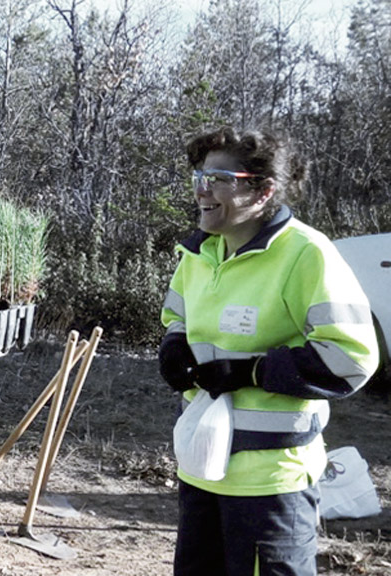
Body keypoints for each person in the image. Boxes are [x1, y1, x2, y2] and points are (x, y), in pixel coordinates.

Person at [158, 126, 379, 576]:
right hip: (201, 466)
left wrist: (253, 372)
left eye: (219, 179)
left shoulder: (305, 254)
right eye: (199, 176)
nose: (202, 189)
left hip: (271, 482)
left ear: (264, 191)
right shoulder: (198, 253)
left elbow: (353, 357)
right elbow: (176, 317)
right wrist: (173, 344)